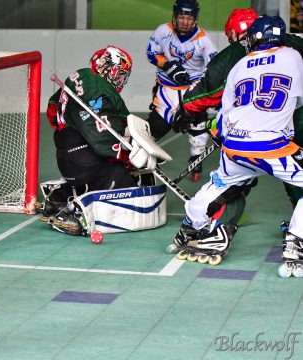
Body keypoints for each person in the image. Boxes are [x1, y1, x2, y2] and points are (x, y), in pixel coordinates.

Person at [171, 15, 303, 277]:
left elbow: (225, 111)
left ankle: (192, 226)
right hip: (271, 145)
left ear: (254, 38)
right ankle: (296, 243)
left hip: (235, 143)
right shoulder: (294, 56)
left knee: (220, 182)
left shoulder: (239, 65)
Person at [41, 45, 165, 235]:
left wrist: (71, 127)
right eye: (120, 73)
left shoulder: (80, 76)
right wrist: (128, 156)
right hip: (83, 161)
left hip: (69, 157)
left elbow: (52, 109)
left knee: (116, 169)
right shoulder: (98, 88)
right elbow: (102, 139)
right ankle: (74, 211)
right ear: (106, 66)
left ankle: (62, 195)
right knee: (124, 178)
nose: (121, 79)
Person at [146, 0, 218, 181]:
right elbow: (151, 52)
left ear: (195, 19)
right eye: (181, 17)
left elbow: (214, 69)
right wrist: (168, 66)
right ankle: (142, 154)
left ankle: (197, 157)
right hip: (167, 89)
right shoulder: (163, 31)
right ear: (175, 16)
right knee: (156, 126)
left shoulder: (204, 41)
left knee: (198, 126)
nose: (185, 22)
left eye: (189, 18)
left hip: (193, 89)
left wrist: (213, 94)